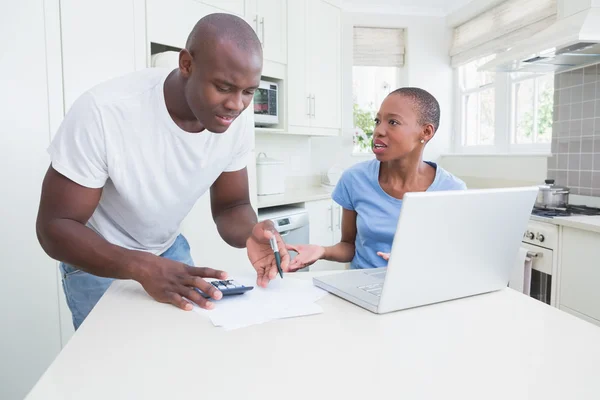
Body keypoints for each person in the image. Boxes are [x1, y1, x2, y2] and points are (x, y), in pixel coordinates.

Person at [35, 13, 290, 330]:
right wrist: (141, 266)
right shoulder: (105, 112)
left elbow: (231, 206)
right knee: (112, 369)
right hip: (97, 258)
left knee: (186, 354)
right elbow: (54, 227)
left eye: (249, 92)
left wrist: (250, 234)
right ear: (187, 65)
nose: (237, 105)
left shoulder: (235, 121)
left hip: (167, 250)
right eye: (224, 87)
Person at [286, 87, 466, 271]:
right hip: (361, 285)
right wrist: (322, 251)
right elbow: (349, 246)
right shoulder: (355, 179)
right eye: (377, 121)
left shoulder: (453, 189)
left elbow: (453, 256)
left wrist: (415, 261)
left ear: (426, 132)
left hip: (420, 288)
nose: (378, 131)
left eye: (393, 122)